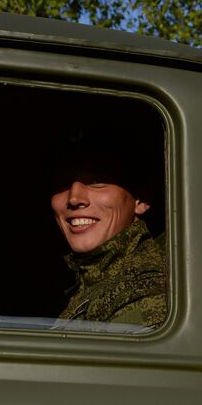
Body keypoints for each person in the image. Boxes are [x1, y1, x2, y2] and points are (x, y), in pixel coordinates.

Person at [48, 131, 167, 328]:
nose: (74, 198)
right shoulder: (92, 282)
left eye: (97, 181)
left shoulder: (146, 288)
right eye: (63, 184)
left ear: (141, 200)